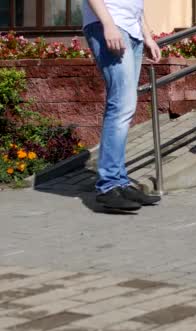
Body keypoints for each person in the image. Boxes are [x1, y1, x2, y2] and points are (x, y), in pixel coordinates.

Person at [83, 0, 162, 211]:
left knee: (125, 107)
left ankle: (119, 181)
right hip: (109, 25)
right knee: (121, 106)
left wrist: (147, 36)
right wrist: (108, 24)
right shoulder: (108, 24)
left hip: (131, 29)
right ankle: (108, 186)